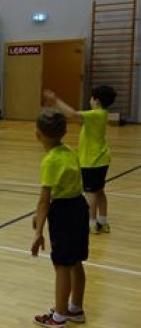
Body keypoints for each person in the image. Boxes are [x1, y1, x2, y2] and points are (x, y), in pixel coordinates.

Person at [30, 108, 89, 328]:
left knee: (62, 265)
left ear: (38, 135)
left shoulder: (50, 161)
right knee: (76, 261)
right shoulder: (70, 151)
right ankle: (76, 308)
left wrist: (38, 232)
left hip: (63, 213)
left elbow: (45, 200)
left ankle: (59, 317)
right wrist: (39, 216)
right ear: (64, 132)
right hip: (79, 207)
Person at [44, 86, 116, 234]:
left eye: (91, 98)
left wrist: (56, 101)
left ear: (96, 100)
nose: (90, 101)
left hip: (92, 161)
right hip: (102, 160)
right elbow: (79, 119)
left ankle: (91, 223)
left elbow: (72, 114)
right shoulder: (101, 115)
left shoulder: (95, 114)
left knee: (91, 193)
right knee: (100, 192)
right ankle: (103, 222)